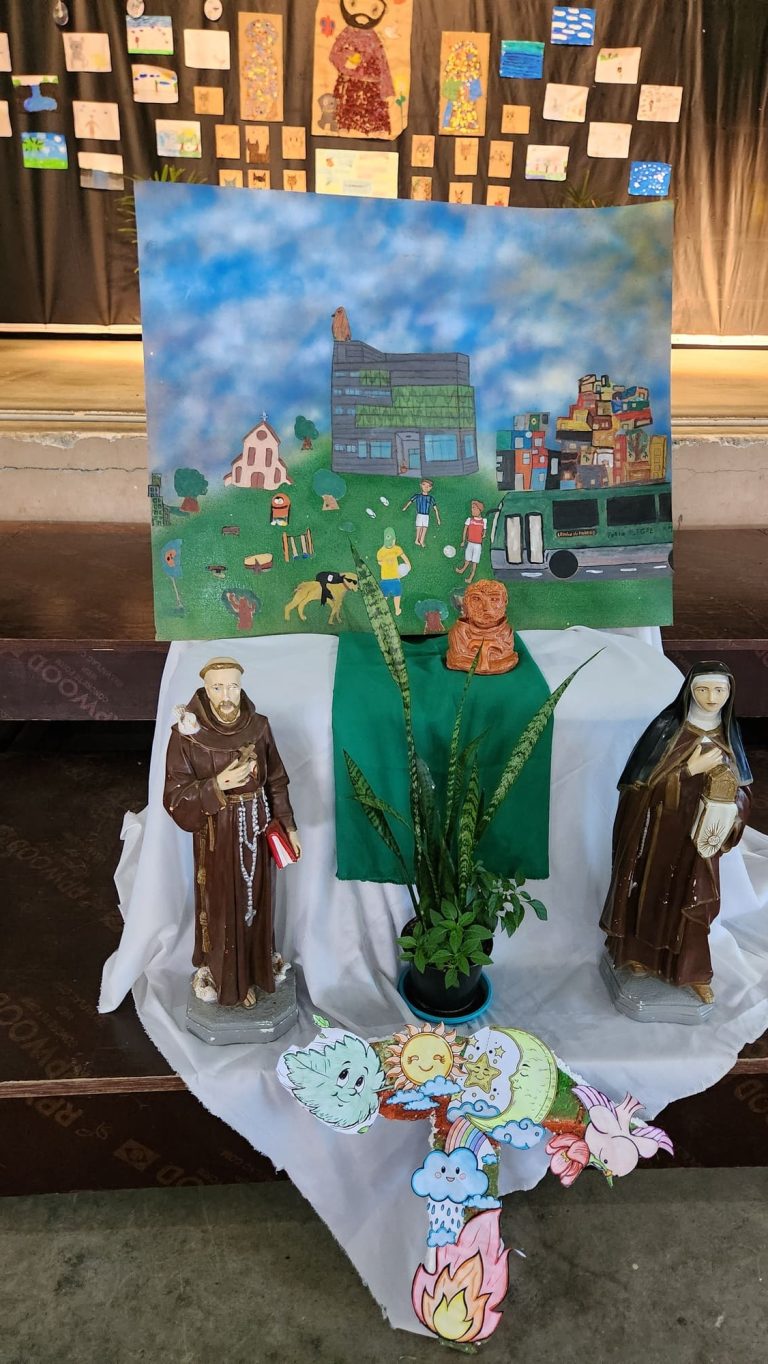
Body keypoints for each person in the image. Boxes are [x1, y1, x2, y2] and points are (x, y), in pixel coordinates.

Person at [600, 662, 752, 1005]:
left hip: (701, 841)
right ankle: (637, 955)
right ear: (689, 691)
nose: (711, 698)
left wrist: (732, 808)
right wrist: (687, 771)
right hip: (659, 836)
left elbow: (744, 790)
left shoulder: (730, 735)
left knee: (693, 902)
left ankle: (692, 972)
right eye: (703, 689)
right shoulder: (667, 729)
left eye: (720, 690)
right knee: (649, 891)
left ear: (729, 693)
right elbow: (638, 789)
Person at [164, 658, 301, 1008]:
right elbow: (174, 797)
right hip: (217, 836)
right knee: (224, 905)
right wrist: (217, 785)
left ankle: (257, 969)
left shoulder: (259, 727)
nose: (226, 696)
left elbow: (276, 781)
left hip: (258, 828)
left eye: (233, 686)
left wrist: (289, 826)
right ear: (205, 690)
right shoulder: (186, 735)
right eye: (217, 687)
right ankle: (228, 979)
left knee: (258, 901)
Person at [328, 0, 394, 138]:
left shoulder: (374, 38)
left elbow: (382, 62)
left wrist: (387, 89)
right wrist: (348, 57)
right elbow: (334, 54)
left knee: (374, 109)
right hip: (350, 81)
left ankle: (377, 127)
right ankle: (344, 125)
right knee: (348, 105)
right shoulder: (347, 33)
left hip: (372, 84)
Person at [376, 526, 411, 617]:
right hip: (394, 578)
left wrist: (387, 564)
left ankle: (381, 609)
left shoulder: (380, 552)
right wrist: (408, 565)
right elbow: (404, 557)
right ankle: (397, 610)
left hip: (386, 578)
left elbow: (380, 563)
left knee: (386, 595)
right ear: (394, 540)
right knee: (396, 595)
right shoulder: (396, 549)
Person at [402, 478, 441, 547]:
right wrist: (405, 507)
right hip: (419, 514)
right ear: (421, 485)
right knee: (419, 527)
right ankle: (417, 540)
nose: (426, 487)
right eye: (424, 485)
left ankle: (422, 540)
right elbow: (410, 501)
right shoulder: (417, 496)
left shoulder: (431, 498)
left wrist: (438, 519)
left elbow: (435, 509)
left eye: (428, 486)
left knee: (425, 528)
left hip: (426, 515)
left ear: (431, 488)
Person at [456, 499, 487, 583]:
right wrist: (463, 541)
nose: (472, 510)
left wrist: (484, 534)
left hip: (477, 544)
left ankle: (471, 577)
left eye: (474, 508)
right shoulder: (469, 519)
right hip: (470, 542)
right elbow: (465, 530)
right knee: (467, 558)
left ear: (479, 510)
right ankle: (462, 570)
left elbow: (484, 530)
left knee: (474, 561)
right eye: (472, 508)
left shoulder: (483, 521)